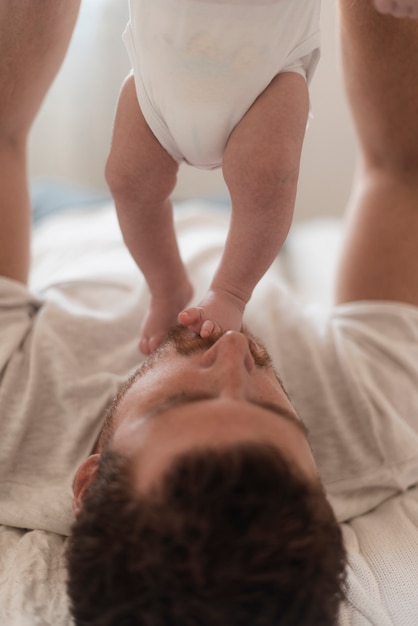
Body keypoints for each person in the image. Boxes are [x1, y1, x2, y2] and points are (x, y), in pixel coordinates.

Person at [1, 0, 418, 625]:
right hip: (249, 239)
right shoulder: (376, 428)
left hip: (59, 232)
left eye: (184, 401)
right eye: (271, 404)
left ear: (88, 484)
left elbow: (4, 135)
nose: (232, 352)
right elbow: (399, 172)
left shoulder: (9, 413)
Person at [105, 0, 321, 355]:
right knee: (128, 180)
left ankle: (230, 291)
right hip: (161, 67)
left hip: (268, 69)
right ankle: (165, 285)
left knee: (267, 178)